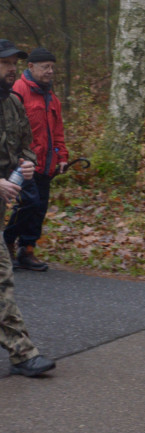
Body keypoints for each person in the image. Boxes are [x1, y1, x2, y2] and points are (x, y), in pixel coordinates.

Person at [0, 39, 54, 377]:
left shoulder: (13, 104)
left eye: (13, 62)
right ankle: (23, 353)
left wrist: (27, 165)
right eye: (5, 63)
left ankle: (22, 353)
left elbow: (25, 147)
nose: (10, 69)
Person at [4, 48, 69, 272]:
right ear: (31, 67)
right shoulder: (16, 91)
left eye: (52, 67)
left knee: (39, 207)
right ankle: (8, 239)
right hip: (24, 163)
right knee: (29, 202)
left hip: (46, 162)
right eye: (45, 67)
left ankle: (27, 249)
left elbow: (57, 131)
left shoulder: (52, 96)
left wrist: (61, 156)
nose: (50, 72)